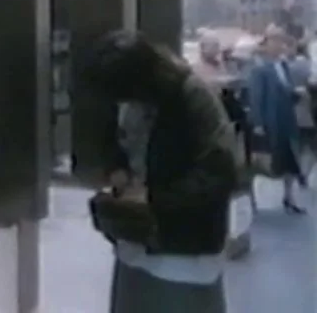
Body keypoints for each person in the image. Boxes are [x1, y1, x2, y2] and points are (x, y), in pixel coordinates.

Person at [85, 30, 237, 313]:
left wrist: (153, 198)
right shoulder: (129, 96)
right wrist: (118, 169)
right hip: (137, 243)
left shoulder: (193, 98)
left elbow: (219, 174)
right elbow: (115, 141)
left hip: (183, 252)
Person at [249, 25, 308, 212]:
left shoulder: (283, 65)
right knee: (267, 161)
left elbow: (286, 89)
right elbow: (256, 96)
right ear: (266, 44)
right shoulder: (260, 68)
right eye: (274, 41)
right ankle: (253, 197)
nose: (278, 45)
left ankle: (289, 196)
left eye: (281, 41)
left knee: (291, 158)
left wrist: (296, 93)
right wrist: (258, 123)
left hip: (287, 117)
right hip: (271, 118)